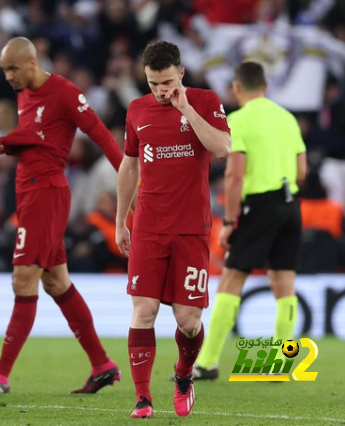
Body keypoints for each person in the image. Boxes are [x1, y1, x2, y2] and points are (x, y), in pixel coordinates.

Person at [0, 37, 124, 395]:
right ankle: (102, 365)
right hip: (28, 193)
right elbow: (42, 136)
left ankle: (1, 375)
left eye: (13, 68)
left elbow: (102, 137)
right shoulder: (23, 93)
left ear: (32, 63)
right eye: (4, 69)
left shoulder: (65, 92)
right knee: (56, 283)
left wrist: (131, 188)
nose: (8, 77)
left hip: (47, 194)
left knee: (23, 279)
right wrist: (12, 142)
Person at [115, 40, 231, 419]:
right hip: (148, 226)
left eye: (166, 82)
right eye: (152, 84)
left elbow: (222, 148)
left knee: (187, 320)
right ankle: (143, 397)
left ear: (181, 73)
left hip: (190, 228)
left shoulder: (206, 100)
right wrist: (121, 221)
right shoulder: (136, 110)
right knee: (143, 311)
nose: (161, 91)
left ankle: (184, 374)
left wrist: (186, 109)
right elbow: (129, 166)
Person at [193, 62, 307, 380]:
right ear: (266, 85)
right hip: (291, 204)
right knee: (285, 286)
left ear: (237, 88)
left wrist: (229, 221)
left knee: (231, 281)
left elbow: (234, 174)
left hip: (260, 206)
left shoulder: (238, 120)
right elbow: (302, 172)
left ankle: (208, 362)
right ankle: (282, 362)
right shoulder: (287, 118)